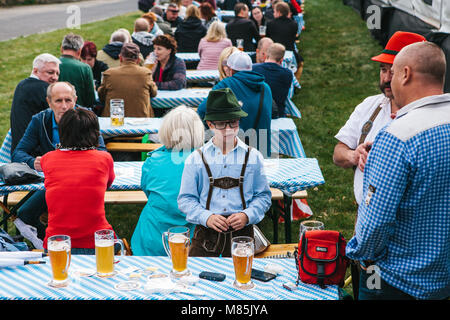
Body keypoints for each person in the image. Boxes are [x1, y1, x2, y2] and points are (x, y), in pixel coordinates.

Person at [346, 41, 450, 300]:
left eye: (392, 72)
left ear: (406, 74)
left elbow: (375, 225)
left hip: (395, 281)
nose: (388, 81)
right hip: (443, 279)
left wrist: (359, 254)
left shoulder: (397, 137)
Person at [333, 32, 426, 208]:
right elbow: (338, 153)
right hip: (365, 215)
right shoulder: (370, 105)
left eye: (393, 71)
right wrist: (353, 155)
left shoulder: (428, 118)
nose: (386, 79)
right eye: (383, 70)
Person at [178, 88, 272, 257]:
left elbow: (263, 196)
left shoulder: (253, 157)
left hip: (242, 235)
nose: (228, 129)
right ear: (210, 125)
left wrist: (247, 215)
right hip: (206, 235)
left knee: (241, 278)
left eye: (233, 123)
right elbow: (185, 199)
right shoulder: (196, 159)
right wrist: (206, 217)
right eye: (221, 124)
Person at [12, 82, 106, 248]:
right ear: (49, 102)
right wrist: (32, 161)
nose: (64, 106)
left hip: (83, 181)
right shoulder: (40, 120)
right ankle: (46, 241)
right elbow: (19, 152)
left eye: (68, 100)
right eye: (58, 101)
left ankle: (61, 243)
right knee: (25, 213)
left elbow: (103, 151)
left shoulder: (85, 118)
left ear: (75, 100)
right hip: (53, 183)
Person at [131, 105, 205, 256]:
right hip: (193, 240)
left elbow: (148, 191)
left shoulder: (152, 161)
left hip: (151, 239)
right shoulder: (208, 162)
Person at [41, 108, 116, 255]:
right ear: (95, 133)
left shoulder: (47, 158)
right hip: (96, 241)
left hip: (57, 243)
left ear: (62, 132)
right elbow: (108, 183)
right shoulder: (104, 159)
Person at [198, 51, 273, 157]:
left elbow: (202, 110)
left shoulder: (226, 84)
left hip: (235, 152)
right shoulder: (266, 87)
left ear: (230, 70)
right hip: (262, 150)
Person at [10, 53, 60, 155]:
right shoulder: (43, 89)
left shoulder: (22, 84)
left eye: (57, 73)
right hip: (36, 155)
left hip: (19, 151)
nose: (55, 77)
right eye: (50, 72)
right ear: (35, 71)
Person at [98, 43, 157, 118]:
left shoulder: (109, 74)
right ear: (138, 60)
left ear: (120, 58)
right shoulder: (146, 73)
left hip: (114, 120)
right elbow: (154, 93)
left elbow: (101, 96)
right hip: (141, 120)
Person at [252, 43, 292, 117]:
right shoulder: (287, 74)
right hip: (278, 114)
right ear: (281, 60)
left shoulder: (253, 68)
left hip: (256, 113)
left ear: (266, 56)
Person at [266, 1, 303, 80]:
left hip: (274, 53)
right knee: (300, 63)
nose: (273, 14)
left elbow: (268, 38)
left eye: (274, 12)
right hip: (290, 52)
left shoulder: (270, 24)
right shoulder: (294, 24)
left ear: (279, 12)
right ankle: (295, 81)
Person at [58, 33, 95, 109]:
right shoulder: (85, 68)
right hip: (78, 114)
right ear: (79, 51)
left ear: (61, 49)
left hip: (55, 113)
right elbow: (90, 99)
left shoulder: (52, 65)